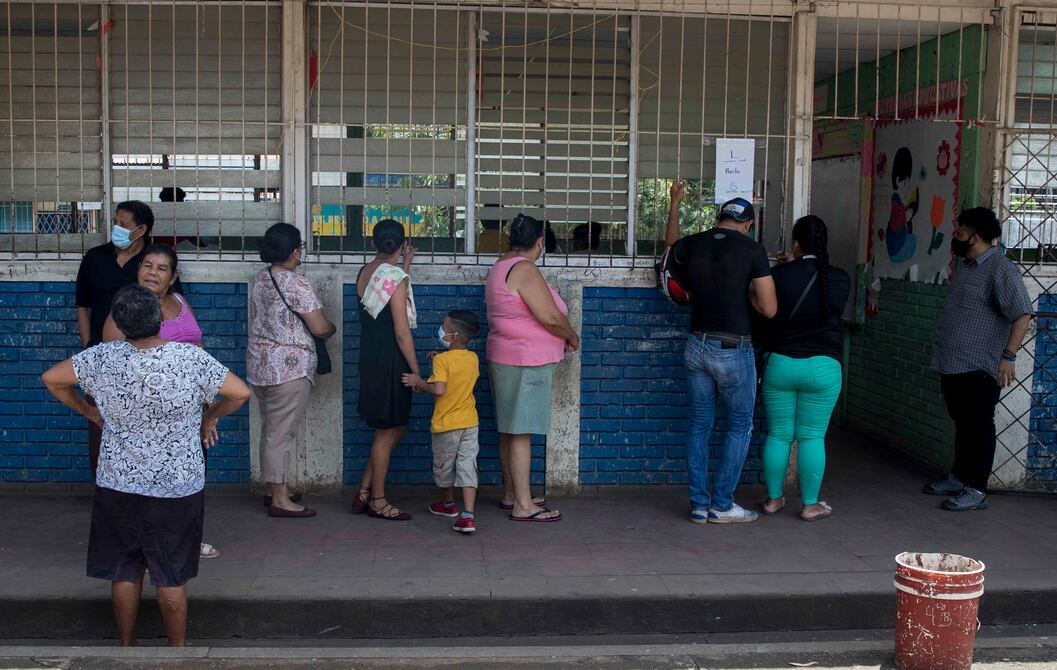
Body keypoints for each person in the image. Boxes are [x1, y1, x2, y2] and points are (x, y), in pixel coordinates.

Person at [41, 285, 251, 647]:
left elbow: (52, 379)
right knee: (171, 575)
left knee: (124, 571)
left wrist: (90, 412)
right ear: (160, 319)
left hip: (118, 482)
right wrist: (210, 416)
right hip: (177, 485)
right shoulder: (190, 358)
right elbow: (240, 393)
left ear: (120, 325)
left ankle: (127, 647)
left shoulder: (101, 357)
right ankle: (176, 654)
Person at [665, 182, 777, 524]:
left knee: (699, 425)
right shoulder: (752, 250)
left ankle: (699, 506)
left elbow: (670, 249)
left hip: (696, 344)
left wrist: (675, 204)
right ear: (749, 224)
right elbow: (769, 309)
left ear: (718, 218)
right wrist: (750, 295)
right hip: (733, 348)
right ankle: (722, 504)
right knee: (739, 426)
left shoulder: (694, 243)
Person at [101, 244, 220, 559]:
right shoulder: (124, 312)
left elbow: (199, 349)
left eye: (161, 268)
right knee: (150, 481)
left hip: (189, 411)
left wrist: (209, 405)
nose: (152, 273)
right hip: (148, 416)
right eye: (147, 265)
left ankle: (187, 541)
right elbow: (114, 368)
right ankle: (148, 545)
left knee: (190, 476)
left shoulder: (180, 302)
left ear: (173, 276)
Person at [925, 207, 1032, 512]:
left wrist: (1008, 356)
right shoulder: (969, 266)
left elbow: (1022, 314)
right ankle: (959, 477)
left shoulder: (1000, 269)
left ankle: (976, 489)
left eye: (960, 231)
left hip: (980, 367)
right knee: (963, 425)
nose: (955, 235)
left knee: (979, 426)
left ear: (976, 236)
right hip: (955, 364)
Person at [486, 213, 579, 522]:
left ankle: (512, 493)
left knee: (509, 430)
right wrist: (571, 336)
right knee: (521, 432)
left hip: (506, 357)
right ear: (540, 242)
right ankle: (524, 505)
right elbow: (549, 316)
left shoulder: (501, 265)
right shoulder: (524, 268)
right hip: (525, 360)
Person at [757, 216, 850, 522]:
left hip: (781, 365)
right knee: (812, 437)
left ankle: (773, 500)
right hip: (823, 368)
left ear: (795, 243)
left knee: (779, 434)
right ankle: (810, 505)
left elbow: (773, 302)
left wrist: (788, 267)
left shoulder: (777, 276)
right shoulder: (841, 279)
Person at [247, 223, 336, 518]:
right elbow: (320, 328)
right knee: (280, 435)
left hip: (260, 365)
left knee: (270, 431)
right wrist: (331, 328)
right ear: (295, 252)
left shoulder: (260, 279)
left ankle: (273, 489)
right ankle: (280, 500)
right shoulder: (297, 284)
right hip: (289, 369)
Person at [75, 200, 159, 476]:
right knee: (99, 427)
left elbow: (170, 304)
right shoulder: (95, 258)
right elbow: (83, 306)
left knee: (142, 427)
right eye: (115, 222)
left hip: (143, 360)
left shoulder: (152, 262)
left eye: (123, 224)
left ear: (141, 230)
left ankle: (140, 486)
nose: (116, 228)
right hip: (101, 358)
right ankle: (103, 486)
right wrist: (88, 346)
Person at [351, 219, 419, 521]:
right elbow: (402, 332)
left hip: (371, 354)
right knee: (388, 430)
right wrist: (416, 371)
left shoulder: (365, 271)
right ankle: (377, 501)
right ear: (402, 244)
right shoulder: (396, 278)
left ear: (372, 243)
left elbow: (387, 290)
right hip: (392, 356)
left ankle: (365, 490)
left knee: (393, 427)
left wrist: (404, 266)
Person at [402, 310, 482, 534]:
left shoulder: (442, 361)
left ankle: (448, 505)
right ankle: (468, 515)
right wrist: (439, 360)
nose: (440, 330)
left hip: (446, 425)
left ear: (453, 336)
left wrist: (418, 381)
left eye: (443, 328)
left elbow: (439, 389)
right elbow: (457, 374)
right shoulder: (473, 358)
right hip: (469, 422)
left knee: (444, 466)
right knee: (467, 466)